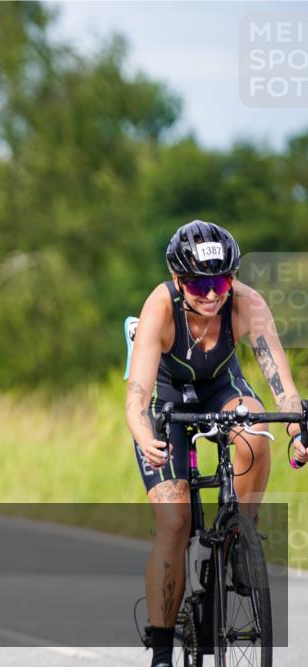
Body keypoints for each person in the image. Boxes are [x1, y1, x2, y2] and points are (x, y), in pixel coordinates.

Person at [125, 220, 306, 667]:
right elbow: (136, 399)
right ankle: (163, 650)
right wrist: (146, 437)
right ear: (177, 281)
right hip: (166, 401)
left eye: (221, 281)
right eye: (198, 284)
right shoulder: (160, 308)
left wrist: (298, 430)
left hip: (221, 387)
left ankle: (238, 541)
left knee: (254, 430)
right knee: (175, 524)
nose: (211, 294)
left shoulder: (247, 303)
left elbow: (281, 384)